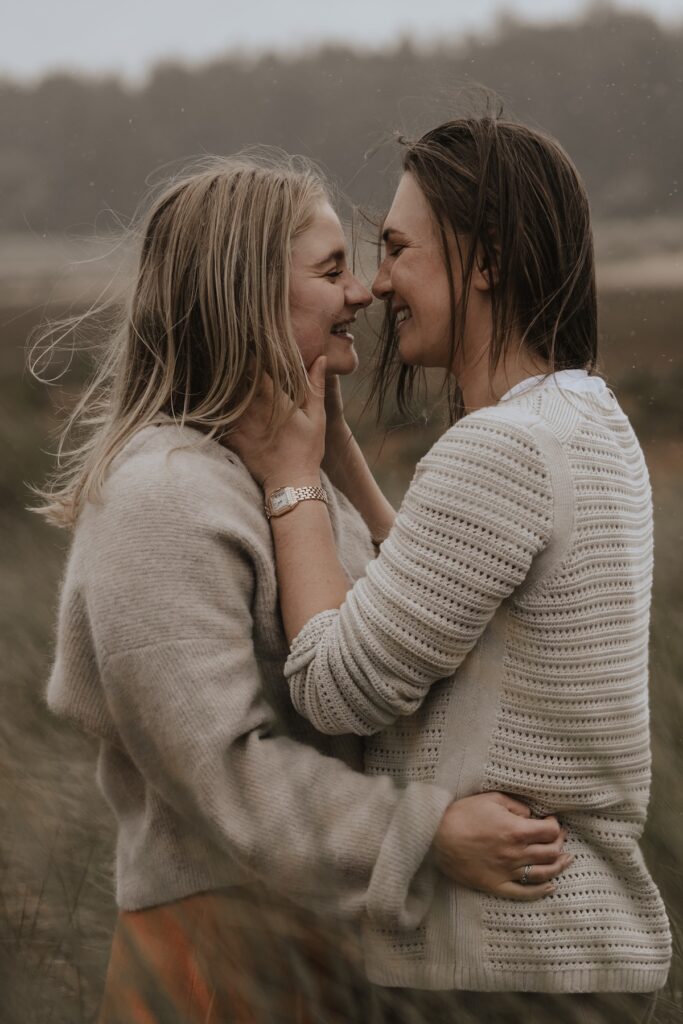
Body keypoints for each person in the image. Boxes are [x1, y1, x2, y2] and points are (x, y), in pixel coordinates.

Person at [36, 153, 569, 1023]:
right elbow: (229, 778)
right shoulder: (160, 498)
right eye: (330, 271)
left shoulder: (275, 471)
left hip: (323, 948)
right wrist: (426, 833)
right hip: (220, 959)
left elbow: (410, 636)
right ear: (246, 297)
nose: (363, 291)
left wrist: (332, 460)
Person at [229, 119, 672, 1012]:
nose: (379, 279)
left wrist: (287, 480)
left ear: (485, 260)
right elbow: (450, 607)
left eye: (396, 248)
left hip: (500, 967)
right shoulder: (588, 419)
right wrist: (339, 456)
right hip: (578, 957)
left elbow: (334, 682)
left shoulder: (499, 450)